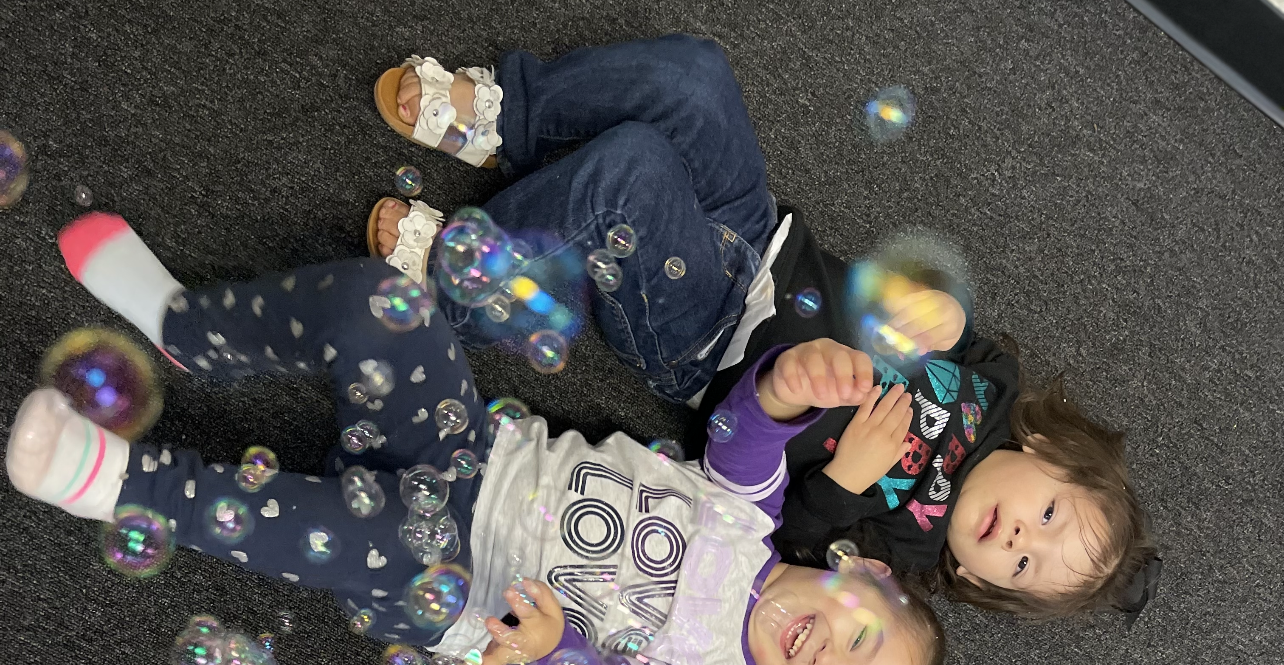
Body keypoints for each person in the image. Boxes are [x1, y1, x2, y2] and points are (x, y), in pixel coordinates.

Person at [5, 217, 944, 665]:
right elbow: (746, 430)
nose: (821, 660)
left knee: (346, 533)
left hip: (450, 577)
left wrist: (547, 654)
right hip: (466, 449)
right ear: (862, 575)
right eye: (859, 642)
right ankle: (189, 329)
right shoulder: (755, 516)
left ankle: (125, 483)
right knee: (388, 302)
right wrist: (789, 385)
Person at [371, 36, 1160, 622]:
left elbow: (787, 540)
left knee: (635, 175)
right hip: (767, 245)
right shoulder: (997, 390)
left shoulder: (908, 544)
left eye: (1023, 562)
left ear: (986, 582)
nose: (1020, 532)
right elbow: (966, 332)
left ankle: (462, 286)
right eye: (1049, 516)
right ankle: (515, 120)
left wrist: (849, 477)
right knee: (696, 80)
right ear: (1047, 452)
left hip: (712, 340)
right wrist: (944, 316)